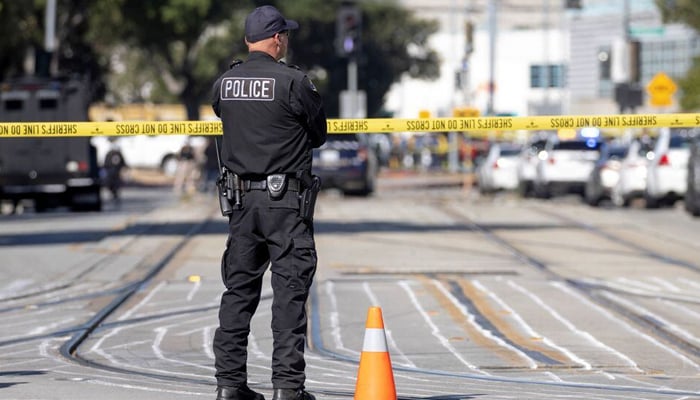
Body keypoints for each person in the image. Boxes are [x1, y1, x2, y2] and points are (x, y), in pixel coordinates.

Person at [210, 5, 327, 400]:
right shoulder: (294, 83)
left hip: (241, 206)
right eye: (285, 36)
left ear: (248, 40)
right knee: (289, 296)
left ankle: (229, 386)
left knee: (237, 294)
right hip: (285, 207)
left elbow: (223, 116)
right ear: (277, 38)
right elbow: (319, 132)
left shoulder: (225, 83)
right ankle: (288, 389)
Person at [103, 138, 127, 202]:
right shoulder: (109, 153)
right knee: (110, 183)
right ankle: (112, 192)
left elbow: (122, 162)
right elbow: (106, 163)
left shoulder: (118, 154)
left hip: (116, 172)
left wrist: (124, 168)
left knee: (116, 183)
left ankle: (115, 193)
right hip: (110, 172)